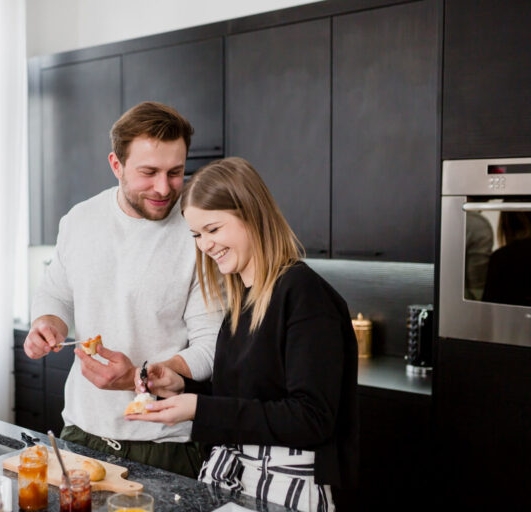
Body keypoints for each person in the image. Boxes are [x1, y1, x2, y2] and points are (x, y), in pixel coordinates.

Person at [127, 157, 359, 511]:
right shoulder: (243, 300)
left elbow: (312, 418)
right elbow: (248, 396)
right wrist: (181, 386)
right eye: (197, 235)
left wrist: (199, 409)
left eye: (213, 229)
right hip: (243, 481)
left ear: (251, 214)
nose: (204, 244)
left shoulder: (303, 294)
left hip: (286, 488)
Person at [24, 102, 222, 478]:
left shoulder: (198, 230)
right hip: (80, 434)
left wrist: (141, 375)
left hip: (165, 445)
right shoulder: (80, 220)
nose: (164, 188)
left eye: (176, 172)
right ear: (116, 165)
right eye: (149, 173)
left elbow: (210, 346)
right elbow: (57, 294)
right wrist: (47, 324)